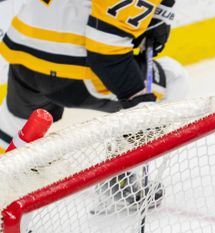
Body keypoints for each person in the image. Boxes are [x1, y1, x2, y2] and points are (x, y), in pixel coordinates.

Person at [0, 0, 188, 208]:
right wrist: (137, 100)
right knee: (173, 78)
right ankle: (119, 182)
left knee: (12, 133)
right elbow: (106, 53)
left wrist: (160, 13)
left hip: (23, 55)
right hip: (72, 71)